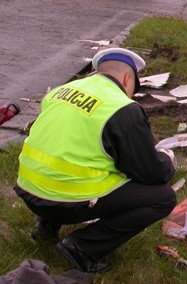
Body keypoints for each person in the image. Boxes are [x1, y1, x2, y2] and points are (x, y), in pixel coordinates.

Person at [14, 47, 177, 273]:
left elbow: (62, 144)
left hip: (29, 190)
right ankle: (82, 247)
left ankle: (45, 227)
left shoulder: (60, 91)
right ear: (127, 78)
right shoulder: (122, 107)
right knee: (163, 198)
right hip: (69, 202)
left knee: (72, 156)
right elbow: (148, 172)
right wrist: (167, 161)